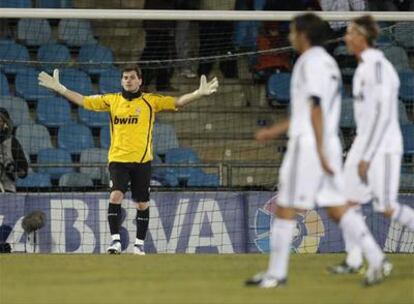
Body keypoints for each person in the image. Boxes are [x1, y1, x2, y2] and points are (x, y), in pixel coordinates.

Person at [245, 13, 389, 288]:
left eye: (291, 31)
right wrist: (273, 131)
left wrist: (320, 151)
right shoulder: (327, 63)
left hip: (311, 145)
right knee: (337, 208)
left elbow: (315, 107)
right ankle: (377, 258)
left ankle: (276, 274)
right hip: (323, 142)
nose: (289, 36)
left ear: (303, 34)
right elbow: (308, 109)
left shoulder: (310, 62)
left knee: (286, 206)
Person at [38, 66, 218, 255]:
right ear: (121, 81)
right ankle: (115, 241)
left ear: (140, 81)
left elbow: (178, 102)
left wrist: (198, 93)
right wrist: (61, 89)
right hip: (118, 159)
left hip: (142, 161)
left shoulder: (151, 101)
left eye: (132, 77)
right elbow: (83, 100)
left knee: (142, 204)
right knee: (116, 195)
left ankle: (139, 244)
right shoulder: (112, 100)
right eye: (125, 78)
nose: (128, 80)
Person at [329, 15, 414, 274]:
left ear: (362, 37)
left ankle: (372, 260)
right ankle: (356, 258)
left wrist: (367, 154)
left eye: (351, 33)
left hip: (382, 145)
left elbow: (382, 115)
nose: (346, 37)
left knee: (385, 206)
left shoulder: (378, 68)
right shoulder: (364, 67)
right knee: (345, 201)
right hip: (363, 142)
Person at [0, 108, 28, 193]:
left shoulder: (12, 142)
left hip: (7, 190)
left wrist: (13, 168)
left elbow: (23, 171)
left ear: (5, 124)